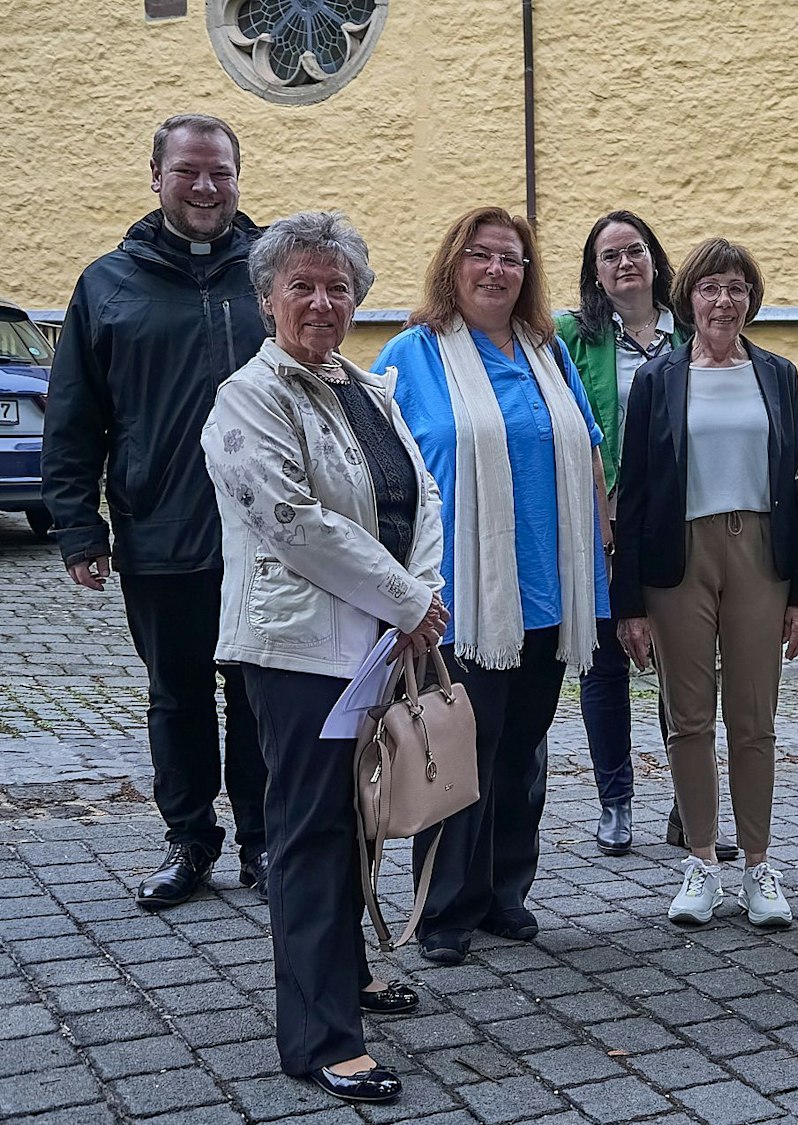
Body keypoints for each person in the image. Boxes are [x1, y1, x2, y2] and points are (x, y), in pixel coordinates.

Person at [202, 211, 442, 1106]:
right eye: (301, 284)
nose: (320, 300)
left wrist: (420, 595)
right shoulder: (247, 398)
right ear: (266, 299)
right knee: (307, 834)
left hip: (377, 642)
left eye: (337, 286)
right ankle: (320, 1035)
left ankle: (346, 975)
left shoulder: (367, 389)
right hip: (295, 647)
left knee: (358, 821)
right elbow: (295, 523)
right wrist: (412, 600)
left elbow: (423, 495)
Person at [41, 113, 270, 911]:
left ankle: (264, 839)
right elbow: (75, 416)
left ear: (239, 177)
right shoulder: (108, 283)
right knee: (176, 696)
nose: (206, 187)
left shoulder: (273, 271)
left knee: (259, 693)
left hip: (268, 536)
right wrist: (78, 525)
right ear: (156, 177)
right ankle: (189, 838)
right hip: (160, 531)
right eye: (188, 172)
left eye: (221, 172)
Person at [374, 206, 609, 966]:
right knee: (456, 748)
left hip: (546, 591)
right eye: (480, 255)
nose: (496, 270)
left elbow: (589, 452)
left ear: (527, 273)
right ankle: (445, 907)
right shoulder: (414, 354)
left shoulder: (548, 351)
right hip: (460, 598)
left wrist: (606, 560)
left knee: (521, 747)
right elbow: (383, 473)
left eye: (510, 258)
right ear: (454, 264)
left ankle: (507, 890)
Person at [613, 238, 798, 928]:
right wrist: (629, 602)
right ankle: (702, 860)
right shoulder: (657, 380)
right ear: (688, 298)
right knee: (688, 718)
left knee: (754, 718)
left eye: (736, 288)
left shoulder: (779, 375)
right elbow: (632, 491)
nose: (723, 301)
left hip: (760, 550)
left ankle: (758, 865)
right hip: (679, 555)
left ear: (751, 299)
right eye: (710, 288)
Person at [556, 210, 728, 859]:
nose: (624, 263)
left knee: (683, 664)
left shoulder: (694, 331)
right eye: (609, 256)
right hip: (600, 518)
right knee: (605, 663)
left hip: (682, 521)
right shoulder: (574, 336)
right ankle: (616, 802)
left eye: (634, 251)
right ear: (594, 273)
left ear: (655, 259)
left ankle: (690, 808)